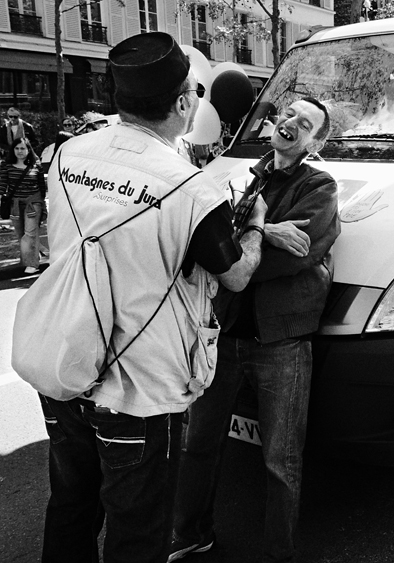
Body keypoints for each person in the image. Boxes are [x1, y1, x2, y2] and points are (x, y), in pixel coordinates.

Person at [37, 32, 265, 563]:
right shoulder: (191, 189)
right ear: (184, 102)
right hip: (135, 389)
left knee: (70, 503)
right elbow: (233, 275)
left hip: (63, 359)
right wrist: (253, 227)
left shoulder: (70, 153)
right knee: (137, 527)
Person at [170, 97, 340, 563]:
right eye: (288, 115)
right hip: (222, 336)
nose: (290, 124)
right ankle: (190, 534)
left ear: (316, 141)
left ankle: (277, 554)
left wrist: (245, 237)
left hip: (281, 343)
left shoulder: (320, 185)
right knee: (198, 445)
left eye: (305, 124)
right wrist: (266, 229)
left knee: (280, 463)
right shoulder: (243, 175)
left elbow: (294, 255)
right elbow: (208, 239)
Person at [0, 137, 46, 273]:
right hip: (15, 203)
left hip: (33, 202)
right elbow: (2, 185)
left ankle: (32, 264)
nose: (20, 151)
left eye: (23, 148)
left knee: (30, 233)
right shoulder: (6, 165)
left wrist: (42, 205)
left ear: (28, 150)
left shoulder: (36, 165)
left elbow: (42, 186)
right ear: (13, 150)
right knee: (20, 233)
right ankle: (30, 257)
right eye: (17, 148)